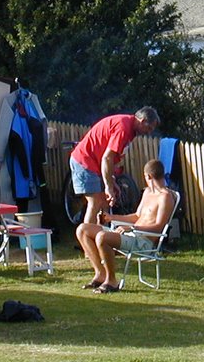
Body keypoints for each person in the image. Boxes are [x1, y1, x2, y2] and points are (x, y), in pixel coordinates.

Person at [75, 158, 174, 293]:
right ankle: (100, 274)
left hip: (143, 242)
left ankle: (112, 282)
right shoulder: (147, 192)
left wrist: (133, 228)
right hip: (130, 234)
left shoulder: (166, 197)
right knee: (83, 229)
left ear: (148, 176)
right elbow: (137, 217)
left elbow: (159, 227)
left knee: (102, 237)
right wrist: (111, 217)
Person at [70, 106, 160, 224]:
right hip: (84, 161)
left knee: (105, 203)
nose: (149, 132)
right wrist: (108, 186)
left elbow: (110, 159)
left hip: (95, 163)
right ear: (142, 121)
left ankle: (100, 237)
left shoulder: (129, 129)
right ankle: (86, 238)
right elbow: (107, 158)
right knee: (95, 202)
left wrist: (111, 180)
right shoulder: (123, 128)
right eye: (149, 128)